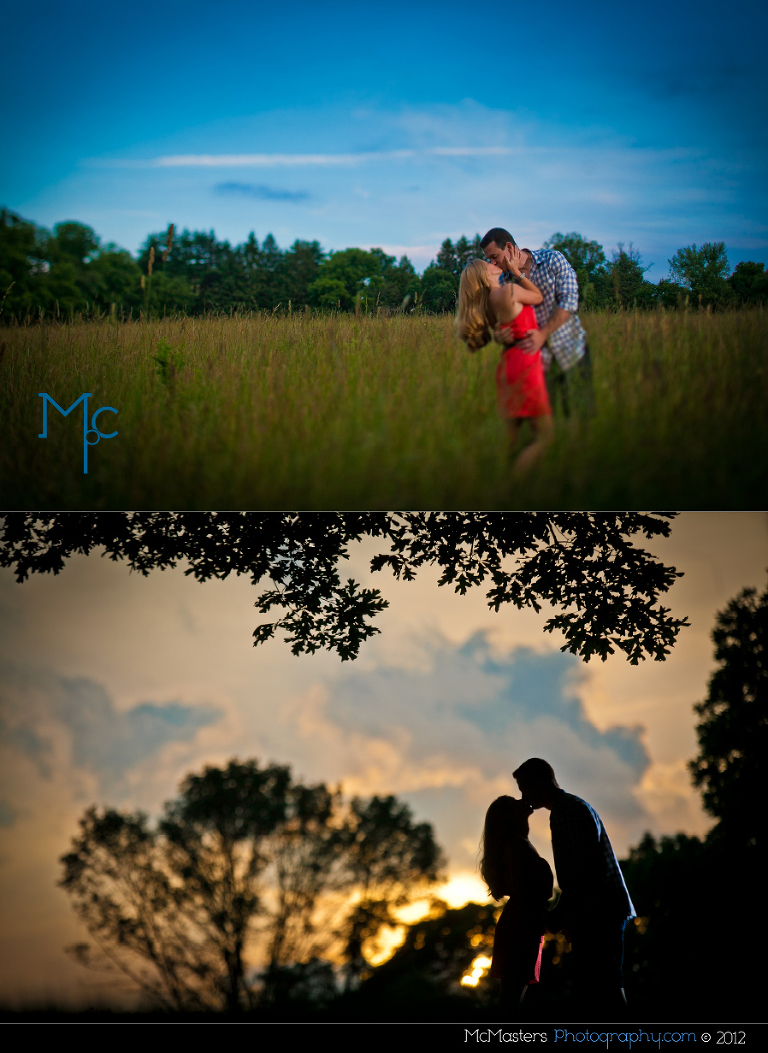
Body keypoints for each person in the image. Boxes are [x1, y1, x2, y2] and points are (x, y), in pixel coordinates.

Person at [512, 758, 635, 1017]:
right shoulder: (575, 806)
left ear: (541, 781)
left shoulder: (565, 812)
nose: (523, 796)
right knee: (606, 985)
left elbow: (579, 872)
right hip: (602, 909)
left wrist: (559, 913)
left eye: (525, 788)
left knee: (604, 987)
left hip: (597, 913)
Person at [480, 228, 593, 417]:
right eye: (490, 259)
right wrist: (499, 335)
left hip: (571, 352)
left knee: (580, 419)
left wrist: (543, 334)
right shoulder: (503, 280)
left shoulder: (552, 260)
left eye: (495, 256)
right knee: (548, 422)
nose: (493, 263)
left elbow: (569, 302)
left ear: (509, 247)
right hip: (537, 364)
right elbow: (501, 321)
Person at [456, 257, 553, 474]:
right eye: (488, 263)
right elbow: (538, 297)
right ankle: (512, 487)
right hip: (526, 361)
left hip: (508, 365)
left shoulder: (488, 300)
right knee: (545, 436)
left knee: (511, 439)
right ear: (485, 274)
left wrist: (499, 336)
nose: (494, 263)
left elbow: (499, 329)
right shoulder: (509, 290)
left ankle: (498, 478)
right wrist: (517, 272)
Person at [480, 795, 554, 1015]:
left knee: (512, 998)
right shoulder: (517, 845)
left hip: (522, 922)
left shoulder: (517, 844)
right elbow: (527, 891)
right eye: (515, 803)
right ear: (510, 817)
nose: (522, 801)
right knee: (511, 1001)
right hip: (522, 924)